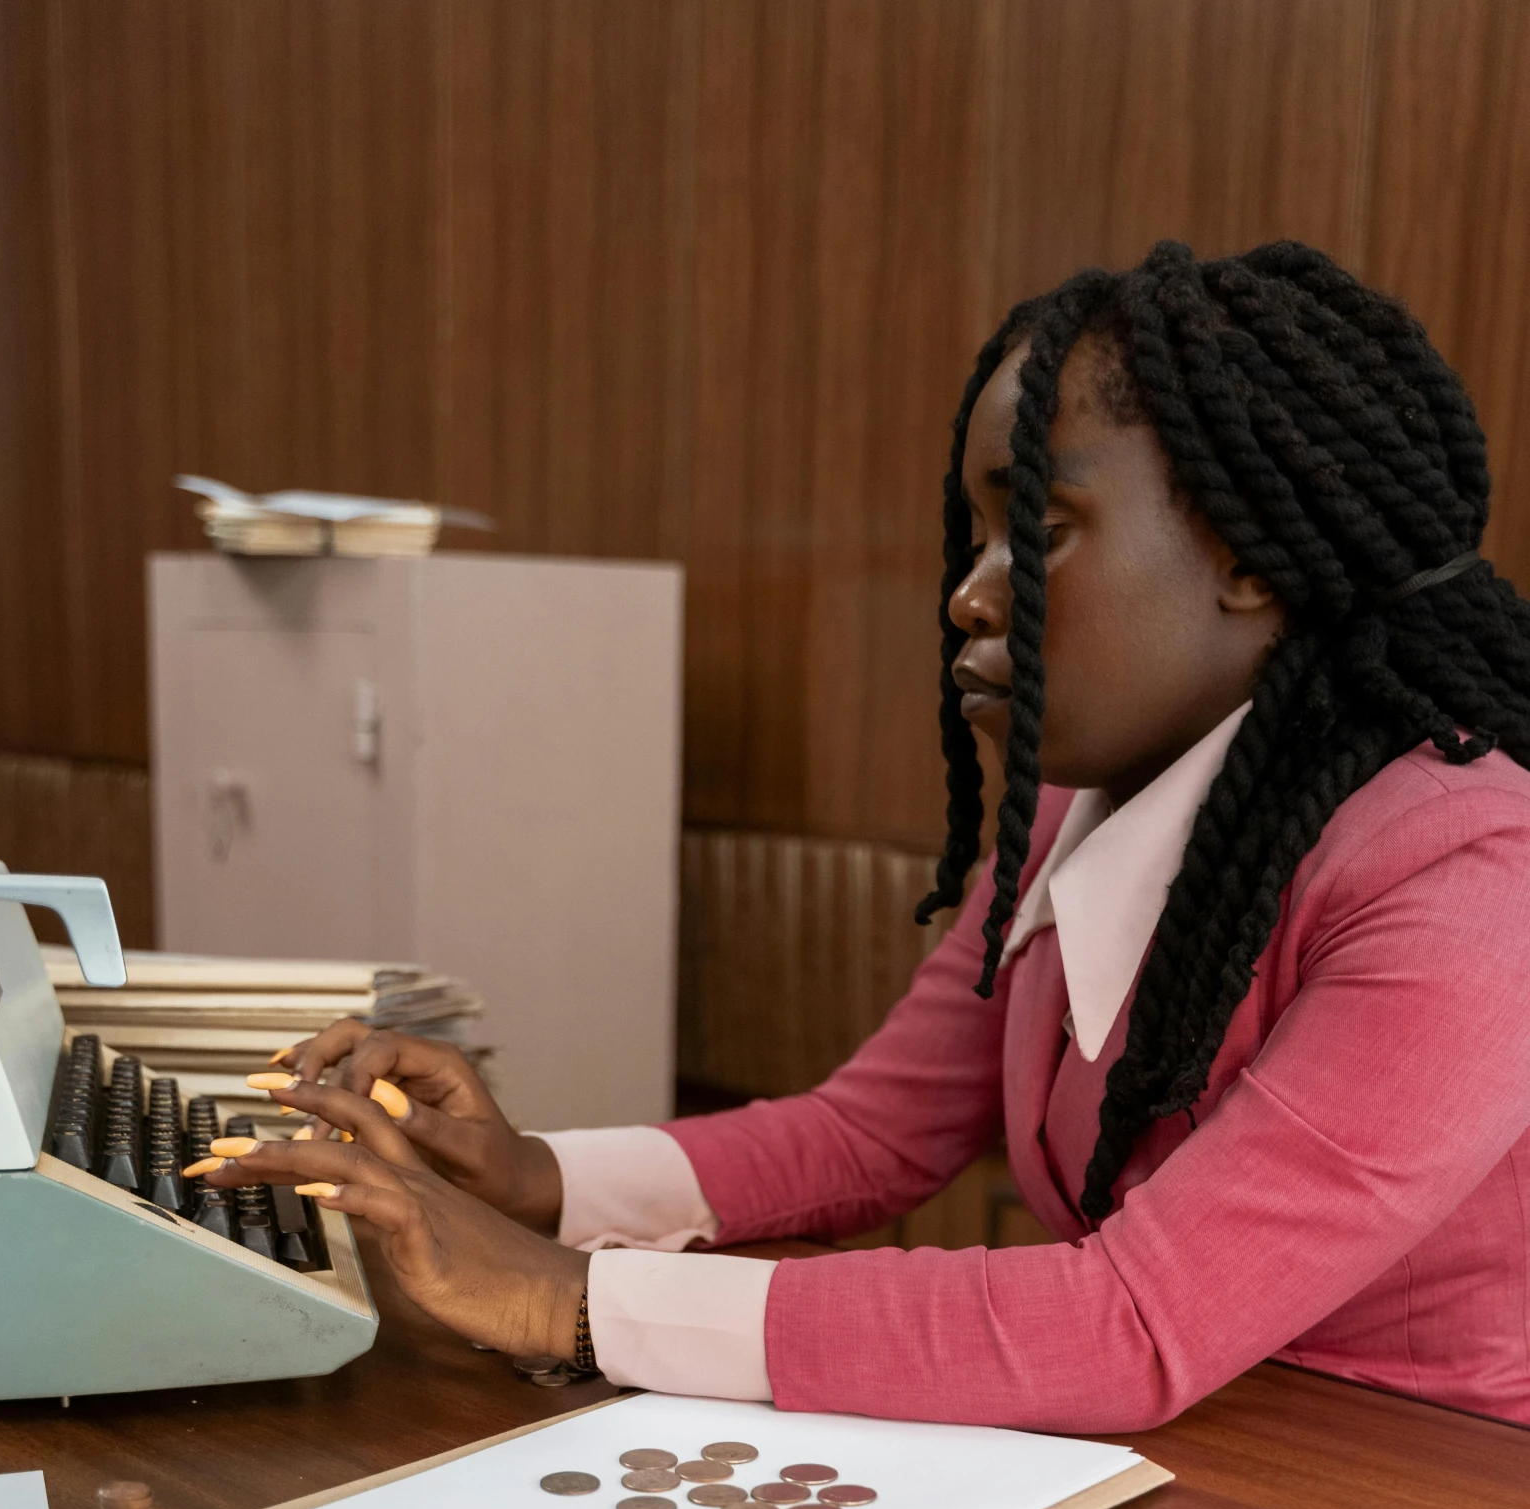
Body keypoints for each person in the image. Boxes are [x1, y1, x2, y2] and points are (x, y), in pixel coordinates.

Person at [196, 240, 1530, 1432]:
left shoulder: (1474, 879)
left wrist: (572, 1300)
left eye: (1038, 531)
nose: (966, 595)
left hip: (1419, 1501)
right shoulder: (1073, 809)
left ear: (1255, 556)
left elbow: (1127, 1321)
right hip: (1197, 1450)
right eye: (976, 535)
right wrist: (533, 1178)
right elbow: (868, 1135)